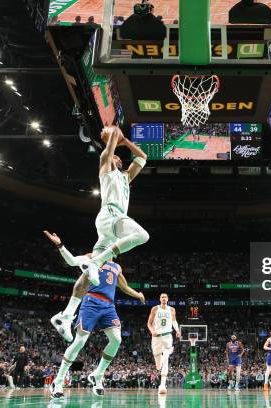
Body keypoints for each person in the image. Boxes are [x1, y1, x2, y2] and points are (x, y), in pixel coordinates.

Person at [48, 125, 148, 343]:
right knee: (142, 236)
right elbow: (108, 151)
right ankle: (96, 262)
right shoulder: (105, 167)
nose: (117, 158)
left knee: (87, 270)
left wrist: (125, 142)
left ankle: (65, 316)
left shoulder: (126, 178)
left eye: (119, 158)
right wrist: (114, 137)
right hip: (111, 216)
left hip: (110, 227)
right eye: (115, 156)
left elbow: (142, 157)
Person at [49, 257, 145, 398]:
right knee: (79, 342)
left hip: (108, 305)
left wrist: (139, 295)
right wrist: (61, 247)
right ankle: (58, 381)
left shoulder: (117, 266)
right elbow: (73, 261)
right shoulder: (94, 255)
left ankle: (97, 375)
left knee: (116, 340)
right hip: (91, 301)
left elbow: (124, 287)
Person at [147, 293, 181, 394]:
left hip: (167, 335)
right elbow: (149, 323)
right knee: (158, 364)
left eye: (165, 297)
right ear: (159, 299)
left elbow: (174, 321)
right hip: (156, 337)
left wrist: (178, 331)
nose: (164, 298)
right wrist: (152, 330)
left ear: (168, 299)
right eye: (162, 297)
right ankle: (161, 359)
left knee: (166, 359)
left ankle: (162, 385)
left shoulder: (172, 310)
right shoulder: (155, 309)